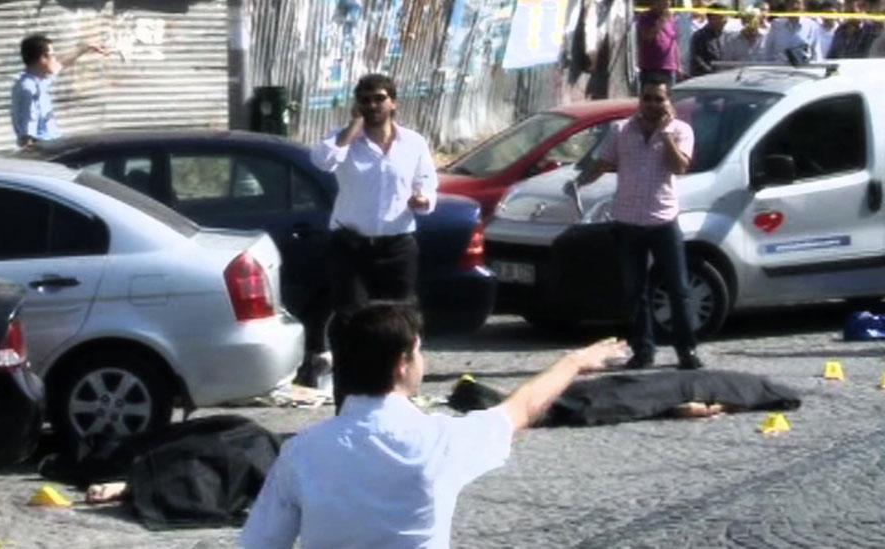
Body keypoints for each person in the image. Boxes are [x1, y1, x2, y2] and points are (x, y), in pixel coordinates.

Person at [239, 302, 628, 548]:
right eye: (419, 351)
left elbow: (261, 544)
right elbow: (522, 408)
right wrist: (575, 362)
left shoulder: (301, 453)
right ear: (402, 365)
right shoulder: (442, 441)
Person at [308, 73, 438, 404]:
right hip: (351, 248)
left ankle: (398, 402)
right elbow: (322, 160)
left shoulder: (413, 143)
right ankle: (347, 403)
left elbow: (427, 183)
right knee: (351, 325)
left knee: (402, 325)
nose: (372, 105)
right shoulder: (345, 142)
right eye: (364, 99)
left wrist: (422, 200)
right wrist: (352, 129)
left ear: (393, 102)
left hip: (397, 247)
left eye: (379, 98)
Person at [570, 74, 704, 371]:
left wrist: (665, 132)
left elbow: (680, 167)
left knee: (677, 288)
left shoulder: (681, 130)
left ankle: (687, 351)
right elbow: (602, 163)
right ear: (639, 100)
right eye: (647, 98)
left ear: (669, 102)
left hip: (662, 220)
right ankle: (643, 350)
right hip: (628, 221)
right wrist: (579, 181)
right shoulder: (621, 130)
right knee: (634, 291)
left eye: (659, 98)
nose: (653, 104)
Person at [11, 34, 106, 147]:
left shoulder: (41, 79)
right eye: (53, 55)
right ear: (43, 58)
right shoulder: (28, 89)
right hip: (42, 152)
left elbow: (61, 64)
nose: (55, 59)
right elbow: (27, 135)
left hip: (53, 144)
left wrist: (85, 50)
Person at [637, 0, 681, 84]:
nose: (667, 4)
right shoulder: (645, 17)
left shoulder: (671, 18)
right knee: (651, 94)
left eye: (669, 2)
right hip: (651, 67)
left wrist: (678, 65)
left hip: (669, 66)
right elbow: (647, 36)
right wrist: (662, 21)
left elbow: (674, 42)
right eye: (664, 2)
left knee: (666, 95)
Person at [689, 3, 730, 75]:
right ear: (711, 18)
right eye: (722, 17)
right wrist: (712, 74)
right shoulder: (699, 36)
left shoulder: (728, 36)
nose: (725, 20)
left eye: (726, 17)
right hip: (705, 80)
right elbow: (697, 60)